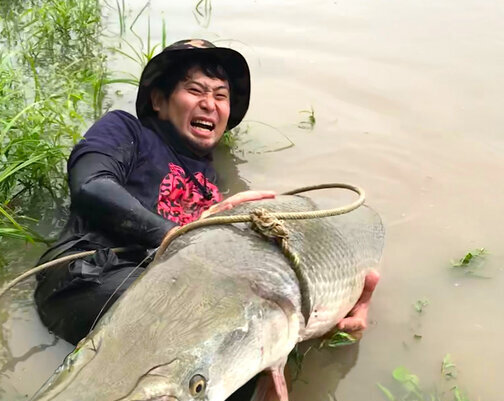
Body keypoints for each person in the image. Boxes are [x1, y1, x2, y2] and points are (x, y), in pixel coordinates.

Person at [34, 39, 378, 347]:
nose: (209, 104)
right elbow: (90, 185)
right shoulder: (127, 130)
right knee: (216, 331)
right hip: (88, 276)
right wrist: (178, 235)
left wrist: (337, 309)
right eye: (196, 90)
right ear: (158, 100)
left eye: (220, 95)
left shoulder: (213, 182)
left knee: (246, 345)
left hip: (178, 291)